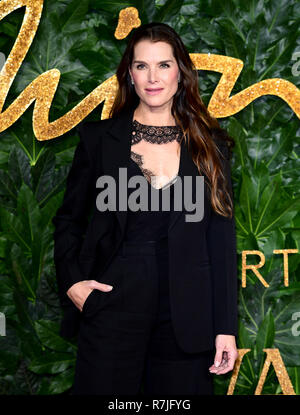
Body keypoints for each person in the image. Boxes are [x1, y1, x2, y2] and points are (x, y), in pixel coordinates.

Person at [52, 22, 239, 395]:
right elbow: (68, 220)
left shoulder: (211, 146)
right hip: (112, 311)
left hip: (186, 320)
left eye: (164, 65)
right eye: (141, 66)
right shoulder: (98, 140)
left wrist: (225, 327)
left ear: (181, 73)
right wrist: (73, 282)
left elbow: (220, 242)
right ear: (129, 75)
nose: (153, 77)